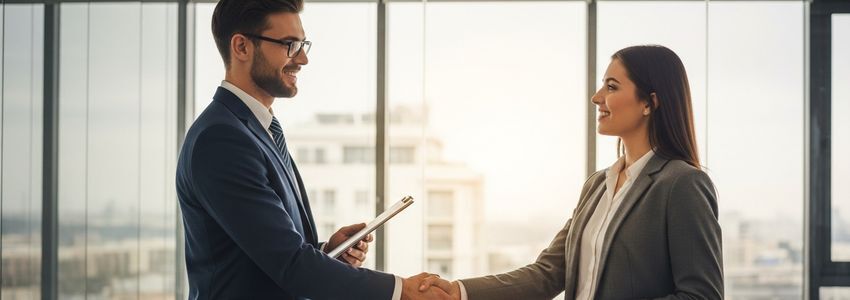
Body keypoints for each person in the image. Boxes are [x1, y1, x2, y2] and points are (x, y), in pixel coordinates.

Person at [175, 0, 450, 299]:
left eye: (303, 44)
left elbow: (269, 251)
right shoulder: (222, 139)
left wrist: (327, 252)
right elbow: (291, 265)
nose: (303, 59)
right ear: (241, 47)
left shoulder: (257, 129)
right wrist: (401, 290)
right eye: (290, 45)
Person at [418, 45, 723, 299]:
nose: (596, 97)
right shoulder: (597, 185)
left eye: (612, 86)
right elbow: (548, 273)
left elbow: (702, 295)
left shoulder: (682, 184)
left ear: (649, 103)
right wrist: (458, 291)